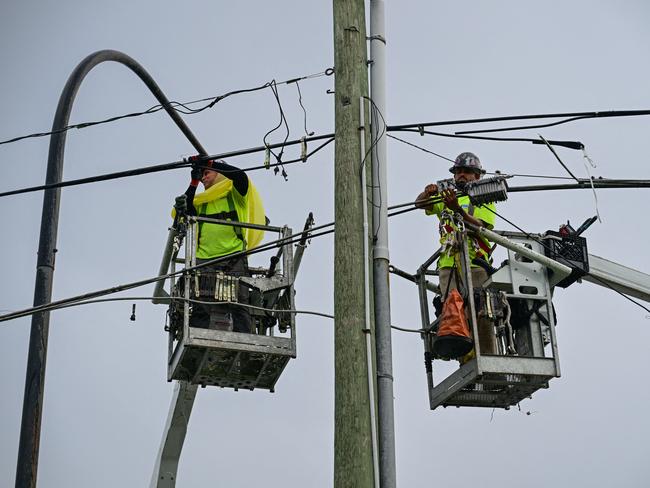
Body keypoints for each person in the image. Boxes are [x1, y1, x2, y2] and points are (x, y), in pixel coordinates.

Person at [415, 151, 498, 355]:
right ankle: (465, 359)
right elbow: (419, 204)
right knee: (453, 312)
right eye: (458, 171)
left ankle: (487, 357)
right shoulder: (447, 196)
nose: (461, 175)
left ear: (477, 176)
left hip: (475, 262)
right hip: (448, 264)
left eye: (467, 172)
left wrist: (457, 210)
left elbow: (482, 226)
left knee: (480, 310)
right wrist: (428, 192)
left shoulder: (482, 196)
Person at [179, 158, 265, 333]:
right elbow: (187, 208)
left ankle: (246, 347)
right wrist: (193, 181)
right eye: (201, 175)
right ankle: (198, 344)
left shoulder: (235, 195)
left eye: (206, 174)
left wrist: (211, 164)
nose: (203, 178)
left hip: (233, 258)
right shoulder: (201, 202)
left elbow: (240, 176)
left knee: (239, 306)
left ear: (220, 174)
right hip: (205, 261)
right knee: (200, 306)